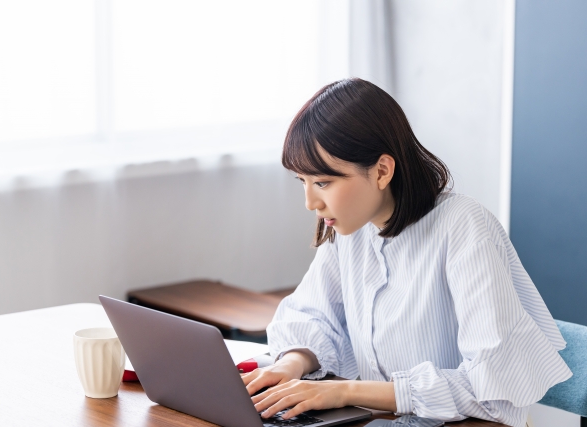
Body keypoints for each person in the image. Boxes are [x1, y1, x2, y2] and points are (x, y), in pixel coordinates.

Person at [241, 78, 571, 427]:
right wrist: (288, 366)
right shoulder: (351, 226)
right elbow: (312, 316)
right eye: (303, 182)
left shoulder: (463, 226)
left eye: (323, 182)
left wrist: (344, 392)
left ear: (382, 171)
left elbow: (490, 387)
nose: (310, 203)